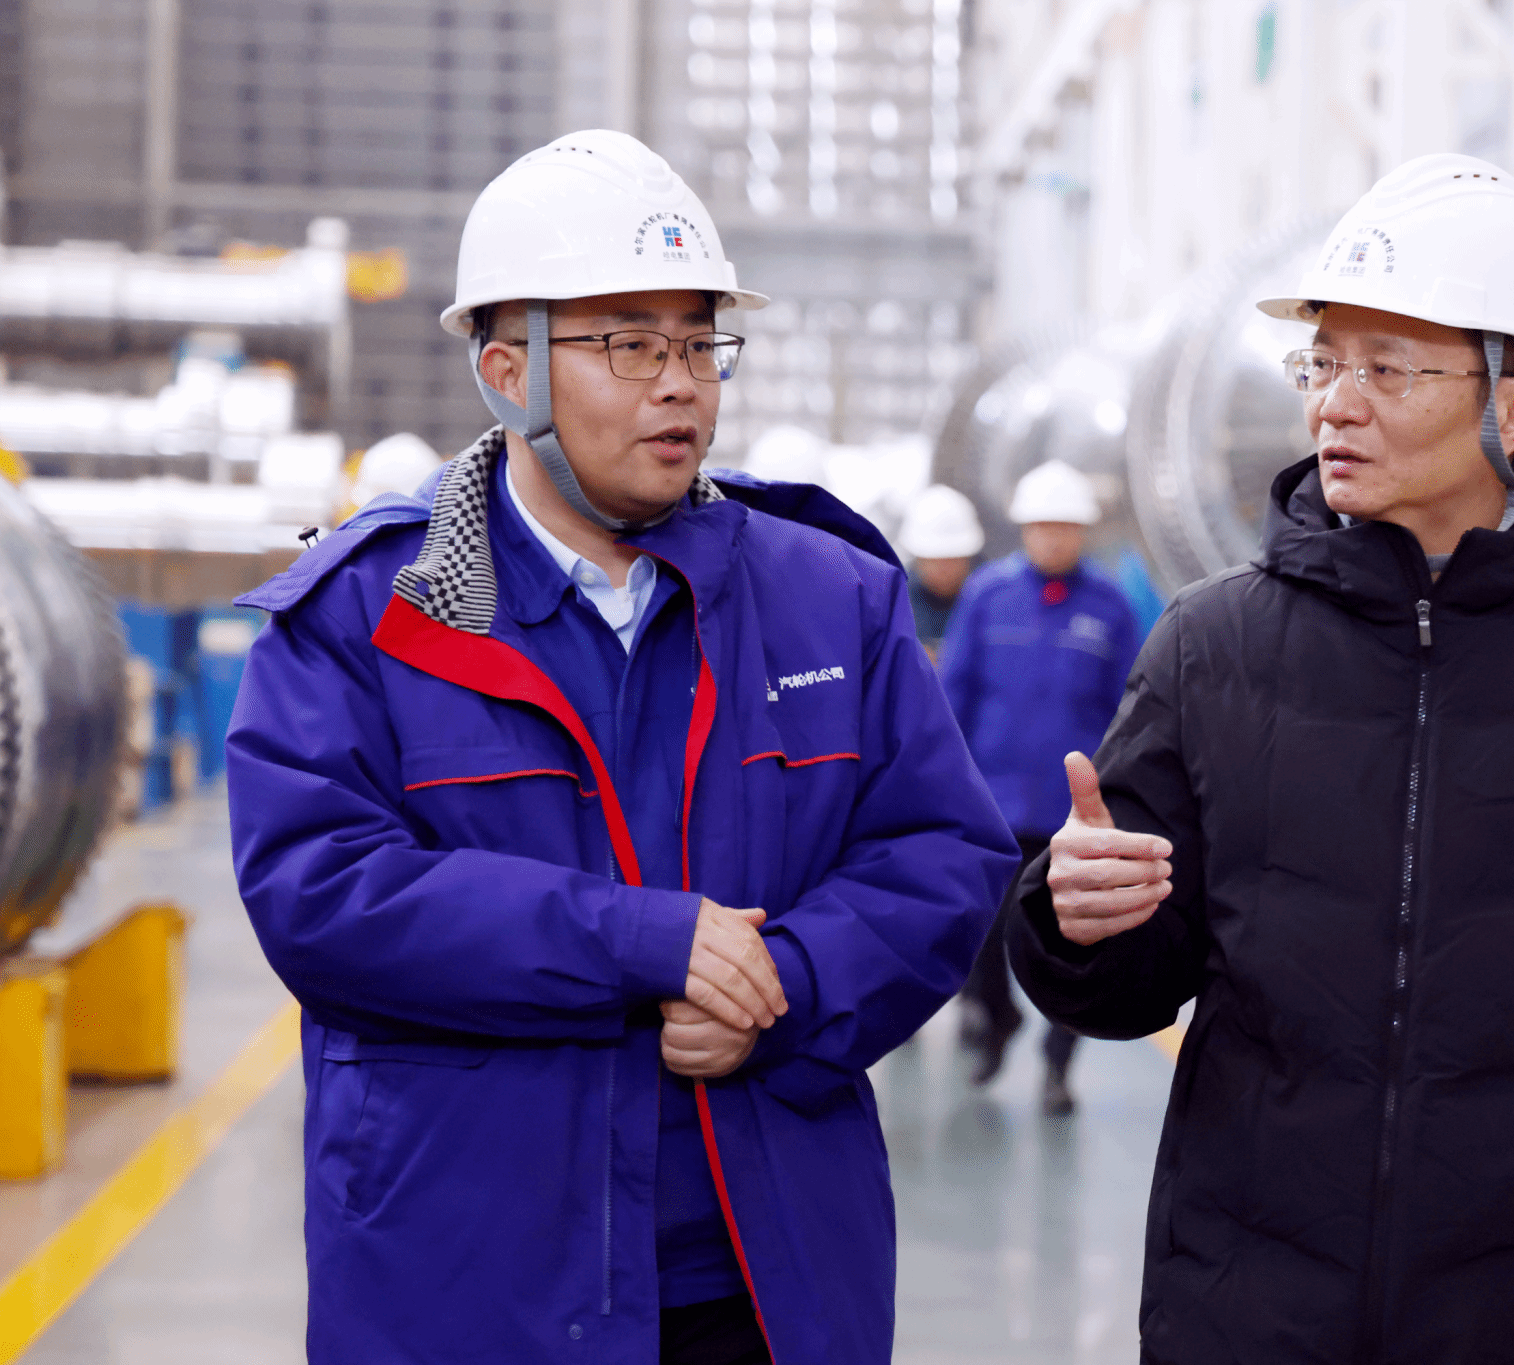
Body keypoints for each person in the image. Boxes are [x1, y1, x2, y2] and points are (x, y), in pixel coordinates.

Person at [1007, 153, 1514, 1365]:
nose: (1334, 405)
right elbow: (1125, 989)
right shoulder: (1213, 648)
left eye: (1387, 369)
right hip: (1246, 1318)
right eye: (1321, 363)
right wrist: (1076, 921)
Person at [226, 130, 1014, 1365]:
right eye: (629, 345)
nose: (680, 384)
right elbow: (320, 893)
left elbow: (940, 853)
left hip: (755, 1279)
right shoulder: (368, 617)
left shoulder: (828, 597)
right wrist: (642, 943)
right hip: (470, 1281)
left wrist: (787, 985)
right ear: (507, 371)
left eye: (699, 344)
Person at [940, 459, 1141, 1114]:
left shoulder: (1110, 608)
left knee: (1075, 944)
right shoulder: (986, 596)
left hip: (1070, 813)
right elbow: (953, 695)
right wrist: (945, 787)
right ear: (1024, 529)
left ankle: (1058, 1064)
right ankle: (997, 1019)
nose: (1054, 537)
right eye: (1043, 526)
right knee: (981, 929)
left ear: (1083, 531)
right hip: (993, 804)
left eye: (1066, 526)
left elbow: (1132, 709)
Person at [897, 482, 984, 658]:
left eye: (952, 559)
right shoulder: (894, 600)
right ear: (917, 558)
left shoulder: (991, 596)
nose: (944, 569)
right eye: (934, 560)